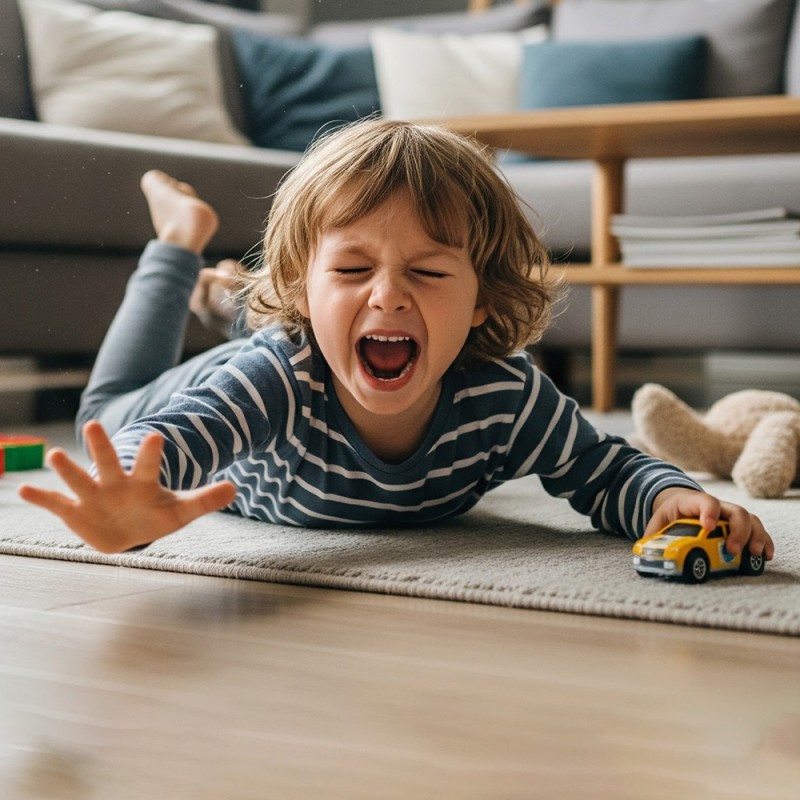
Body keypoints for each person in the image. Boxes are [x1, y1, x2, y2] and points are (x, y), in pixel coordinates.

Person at [19, 119, 774, 562]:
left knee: (319, 321)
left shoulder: (506, 397)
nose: (389, 294)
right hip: (232, 369)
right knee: (102, 409)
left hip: (306, 328)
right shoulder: (275, 379)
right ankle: (182, 244)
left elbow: (601, 467)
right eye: (354, 268)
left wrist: (670, 496)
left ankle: (232, 298)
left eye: (429, 272)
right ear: (303, 284)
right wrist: (133, 491)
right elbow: (163, 439)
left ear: (481, 300)